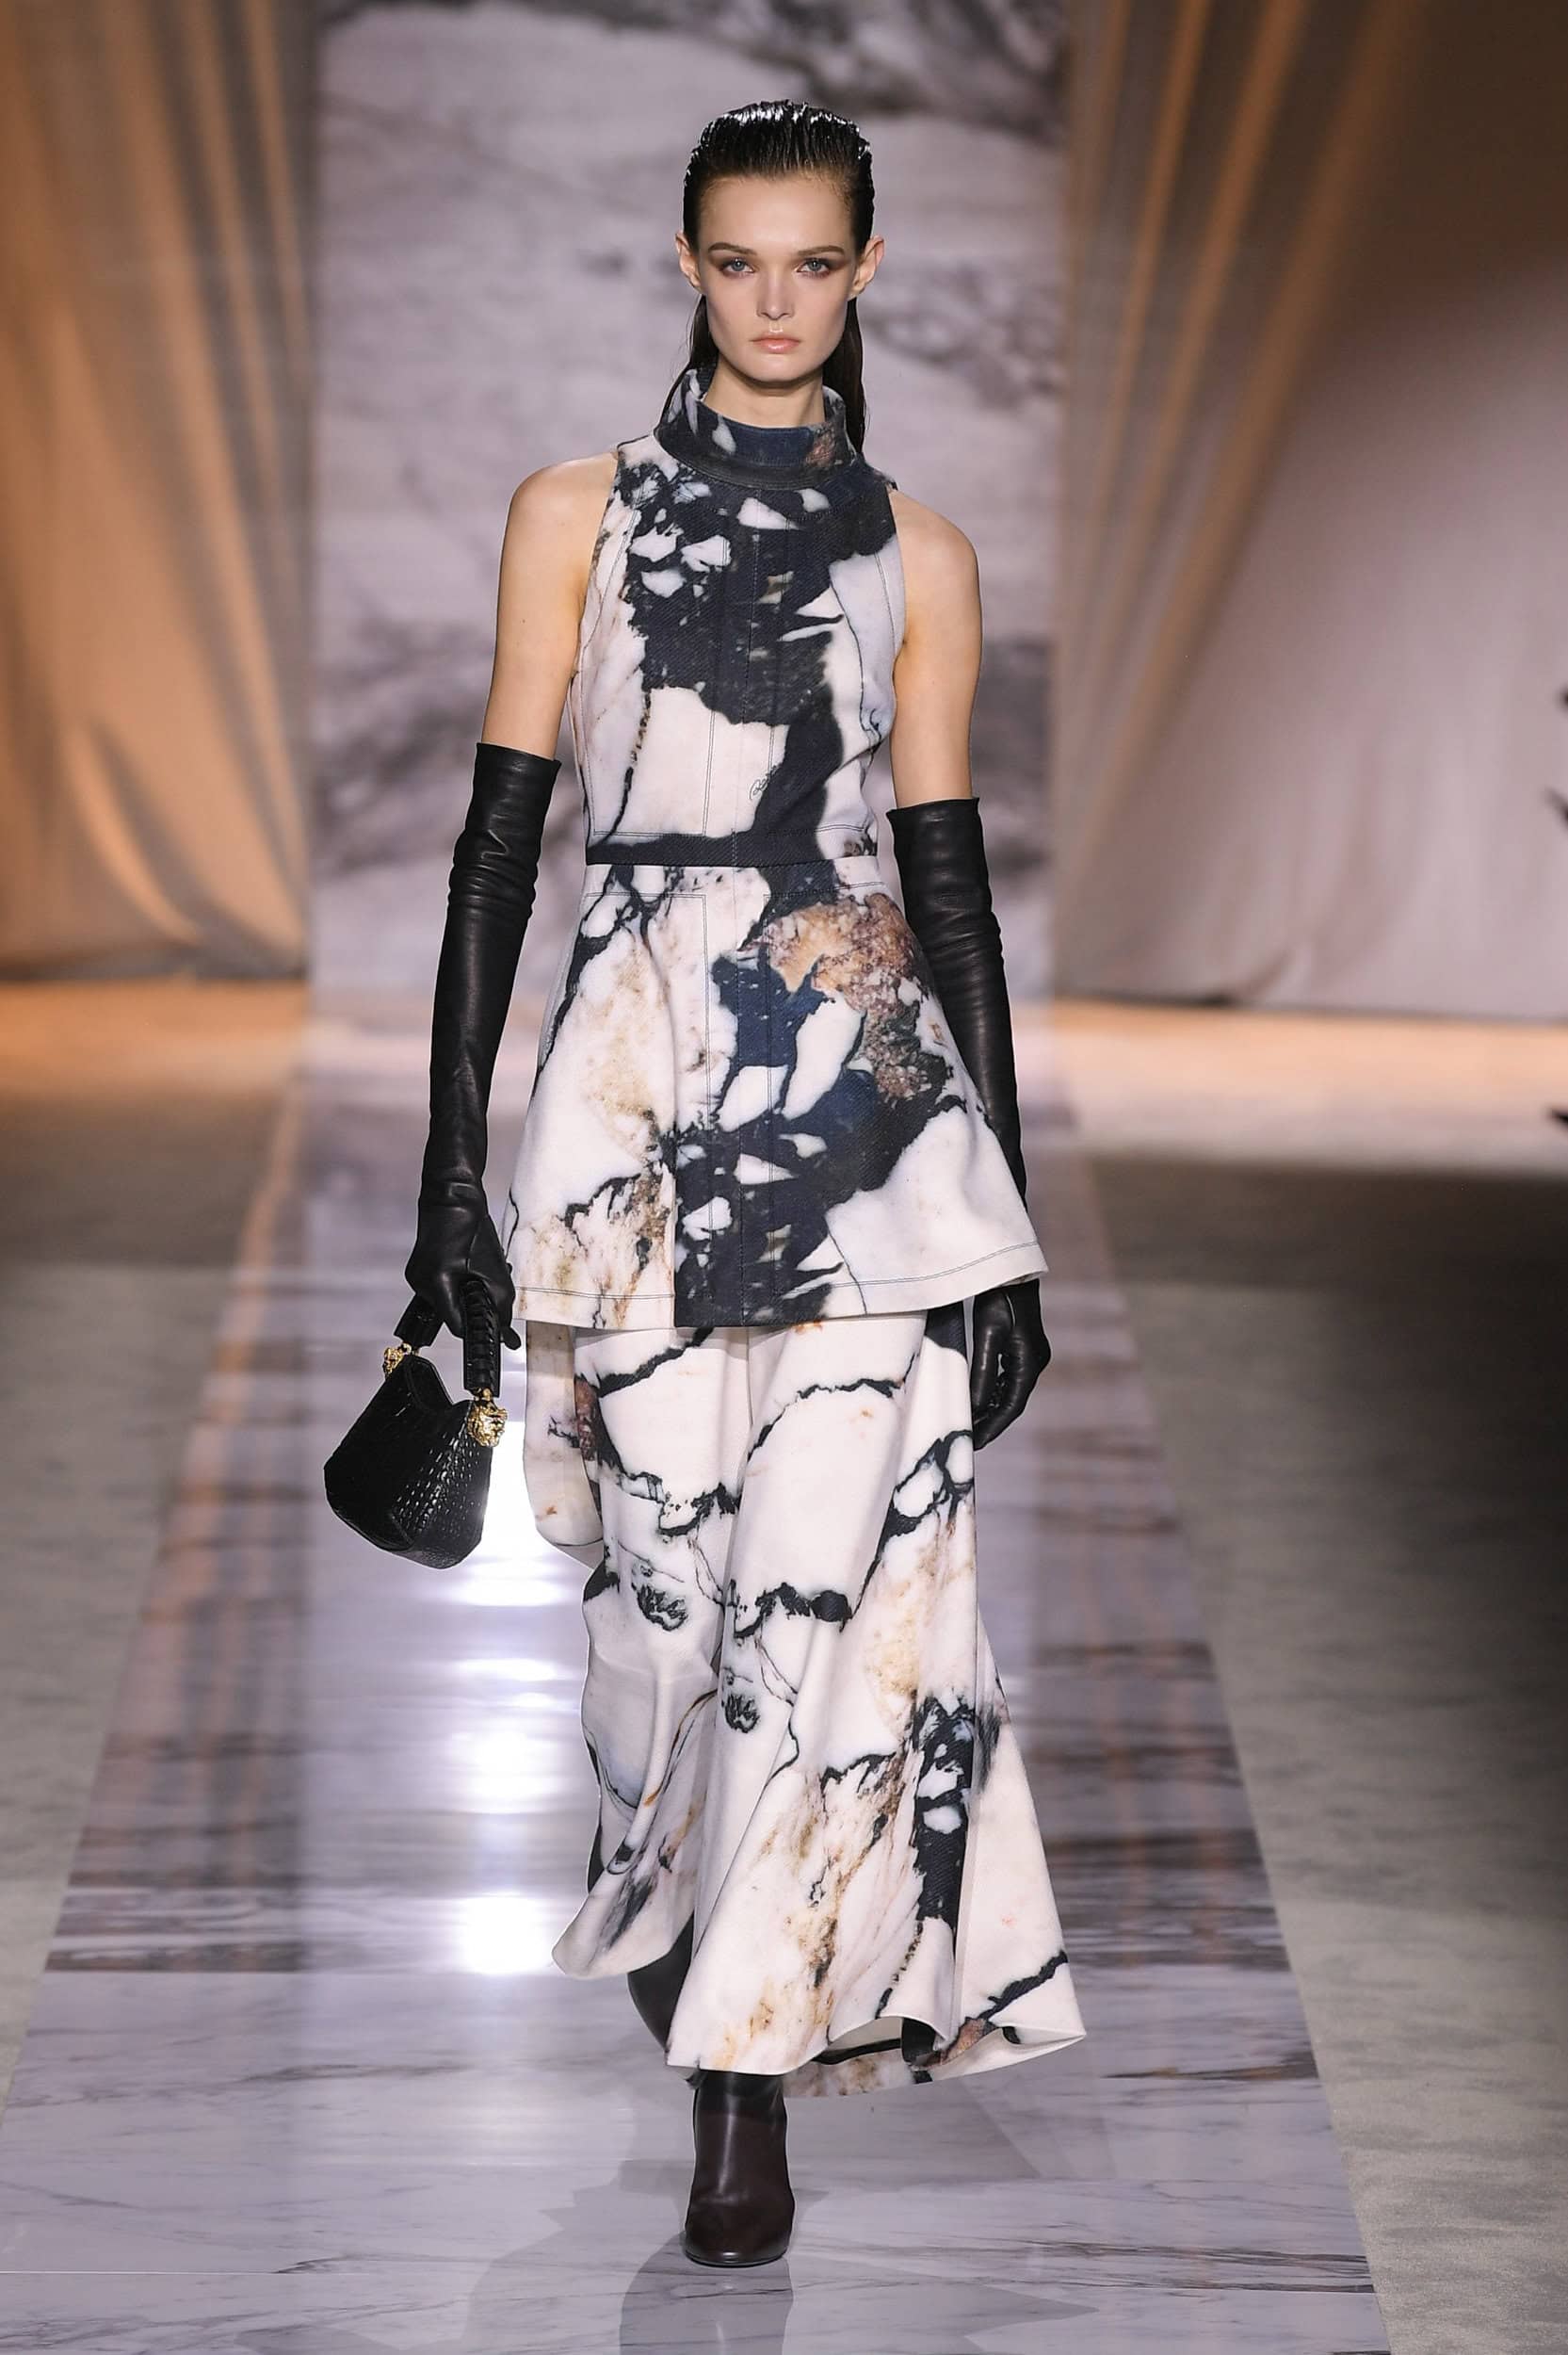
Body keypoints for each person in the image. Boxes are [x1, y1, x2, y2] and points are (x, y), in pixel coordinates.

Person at [405, 99, 1085, 2270]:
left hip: (871, 1133)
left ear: (862, 270)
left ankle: (737, 2092)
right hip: (627, 1119)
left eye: (809, 261)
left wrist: (1001, 1218)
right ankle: (681, 1916)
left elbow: (948, 896)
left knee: (818, 1629)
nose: (772, 298)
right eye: (734, 259)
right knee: (655, 1624)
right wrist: (446, 1172)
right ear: (688, 262)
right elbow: (497, 852)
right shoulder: (573, 516)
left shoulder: (922, 555)